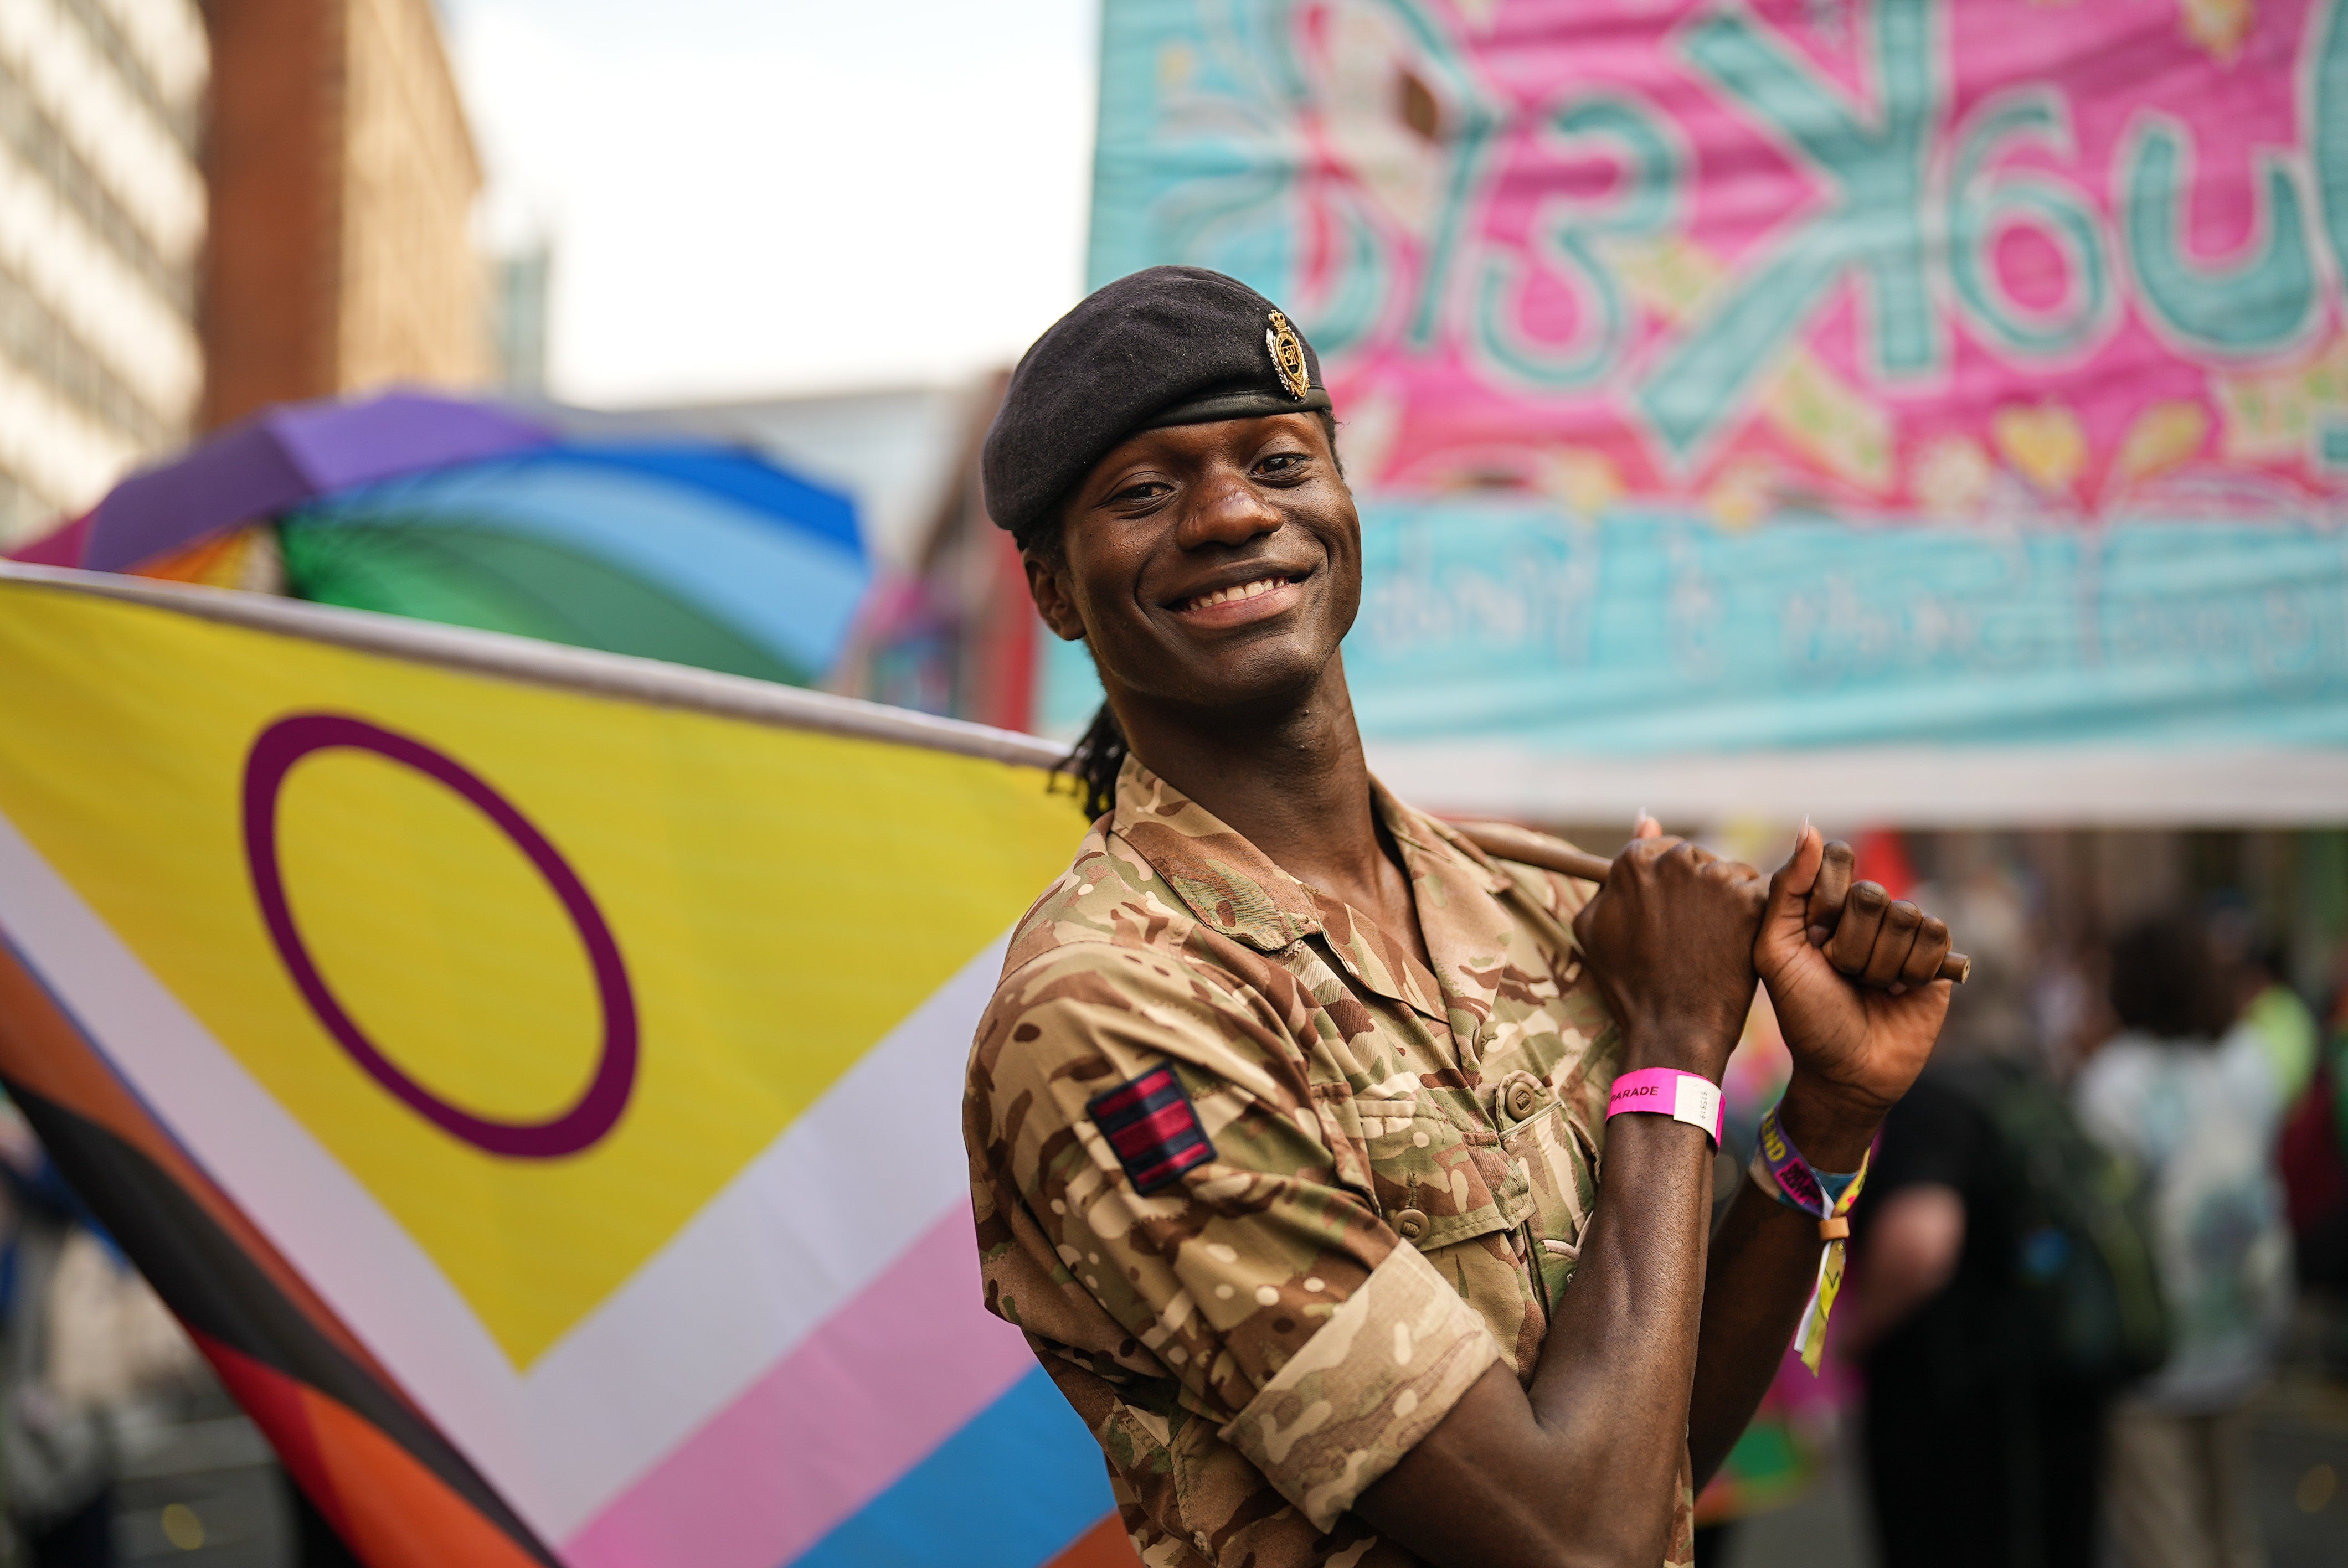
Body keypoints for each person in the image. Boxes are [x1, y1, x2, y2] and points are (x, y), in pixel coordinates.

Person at [960, 266, 1956, 1568]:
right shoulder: (1108, 1011)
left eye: (1276, 462)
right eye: (1143, 492)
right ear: (1051, 589)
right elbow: (1575, 1545)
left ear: (1342, 504)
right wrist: (1672, 1049)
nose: (1229, 513)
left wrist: (1822, 1123)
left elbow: (1648, 1463)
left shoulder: (1535, 910)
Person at [1842, 874, 2126, 1568]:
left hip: (1950, 1402)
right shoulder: (2031, 1074)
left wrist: (1852, 1334)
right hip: (2045, 1387)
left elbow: (1921, 1244)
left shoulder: (1935, 1094)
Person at [2075, 915, 2294, 1568]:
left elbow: (2100, 1212)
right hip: (2244, 1319)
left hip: (2151, 1344)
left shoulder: (2115, 1081)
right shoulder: (2249, 1058)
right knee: (2232, 1527)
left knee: (2164, 1539)